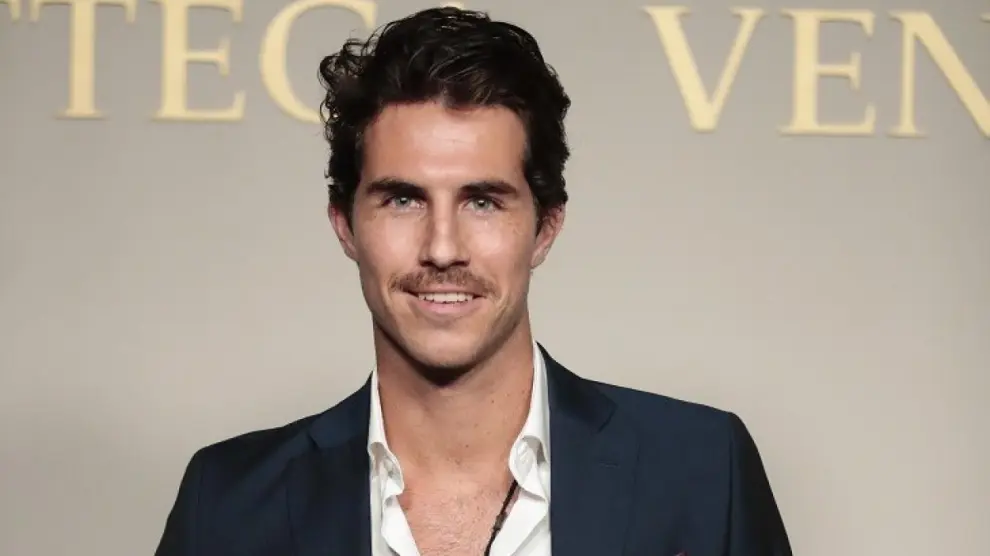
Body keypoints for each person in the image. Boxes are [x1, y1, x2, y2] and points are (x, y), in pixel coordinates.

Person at [154, 7, 793, 556]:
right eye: (402, 199)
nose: (442, 248)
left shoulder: (703, 472)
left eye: (483, 202)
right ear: (345, 226)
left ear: (544, 228)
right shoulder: (229, 504)